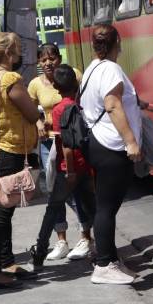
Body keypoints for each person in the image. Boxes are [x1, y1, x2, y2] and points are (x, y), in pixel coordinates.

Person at [0, 32, 41, 289]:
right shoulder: (9, 79)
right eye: (19, 49)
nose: (21, 54)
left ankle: (6, 261)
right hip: (9, 150)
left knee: (5, 206)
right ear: (8, 53)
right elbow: (32, 112)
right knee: (2, 212)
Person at [80, 24, 142, 285]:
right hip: (112, 146)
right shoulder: (110, 69)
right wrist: (131, 141)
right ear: (118, 41)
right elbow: (112, 104)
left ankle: (110, 259)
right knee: (106, 208)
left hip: (99, 144)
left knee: (106, 206)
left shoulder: (92, 69)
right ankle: (103, 265)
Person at [28, 65, 96, 269]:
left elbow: (66, 145)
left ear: (56, 88)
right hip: (86, 164)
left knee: (53, 209)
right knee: (93, 208)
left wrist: (70, 171)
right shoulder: (80, 105)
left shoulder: (58, 110)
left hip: (68, 168)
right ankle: (101, 251)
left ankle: (39, 253)